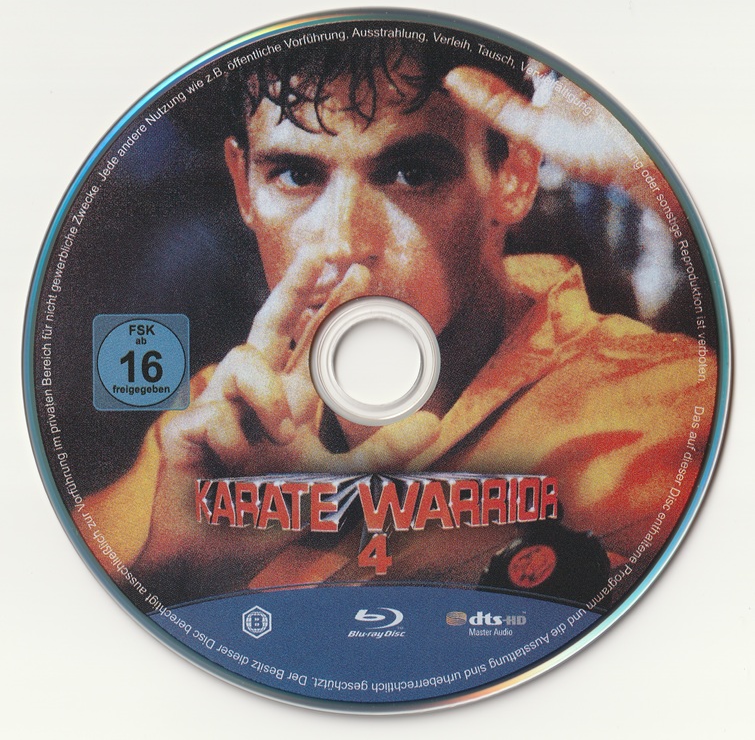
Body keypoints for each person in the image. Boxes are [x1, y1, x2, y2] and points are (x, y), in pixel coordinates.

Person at [77, 36, 716, 605]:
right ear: (244, 188)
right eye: (296, 174)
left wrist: (671, 176)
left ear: (516, 177)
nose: (344, 241)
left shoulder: (675, 405)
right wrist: (175, 577)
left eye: (412, 174)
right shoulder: (211, 431)